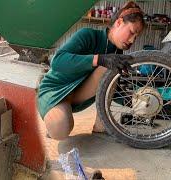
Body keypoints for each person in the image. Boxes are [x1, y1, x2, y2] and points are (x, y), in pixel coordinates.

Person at [38, 1, 145, 140]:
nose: (132, 40)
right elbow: (57, 61)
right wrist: (99, 59)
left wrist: (137, 102)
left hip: (78, 95)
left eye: (136, 37)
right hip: (55, 90)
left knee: (110, 69)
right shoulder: (88, 35)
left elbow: (109, 88)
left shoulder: (117, 53)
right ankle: (52, 118)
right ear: (118, 23)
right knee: (60, 129)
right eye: (131, 32)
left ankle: (100, 127)